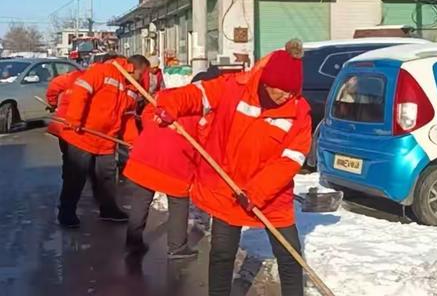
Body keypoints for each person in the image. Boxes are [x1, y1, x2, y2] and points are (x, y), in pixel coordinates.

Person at [154, 41, 311, 296]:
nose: (286, 97)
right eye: (281, 91)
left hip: (272, 195)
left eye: (291, 92)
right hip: (227, 187)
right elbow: (196, 94)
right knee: (222, 253)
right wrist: (169, 106)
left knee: (289, 256)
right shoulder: (235, 87)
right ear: (266, 82)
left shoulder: (299, 110)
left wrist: (257, 192)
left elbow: (291, 159)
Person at [123, 67, 220, 258]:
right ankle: (177, 246)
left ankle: (132, 242)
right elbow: (207, 140)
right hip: (176, 164)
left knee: (141, 200)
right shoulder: (206, 111)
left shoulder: (167, 95)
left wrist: (156, 130)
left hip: (146, 155)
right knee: (178, 203)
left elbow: (147, 114)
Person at [57, 55, 150, 228]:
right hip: (82, 135)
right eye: (142, 73)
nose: (143, 78)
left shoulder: (131, 89)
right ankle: (66, 212)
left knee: (106, 177)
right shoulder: (103, 71)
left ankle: (108, 210)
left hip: (106, 140)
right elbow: (81, 90)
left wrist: (132, 141)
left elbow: (127, 118)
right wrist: (75, 118)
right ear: (134, 67)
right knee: (76, 176)